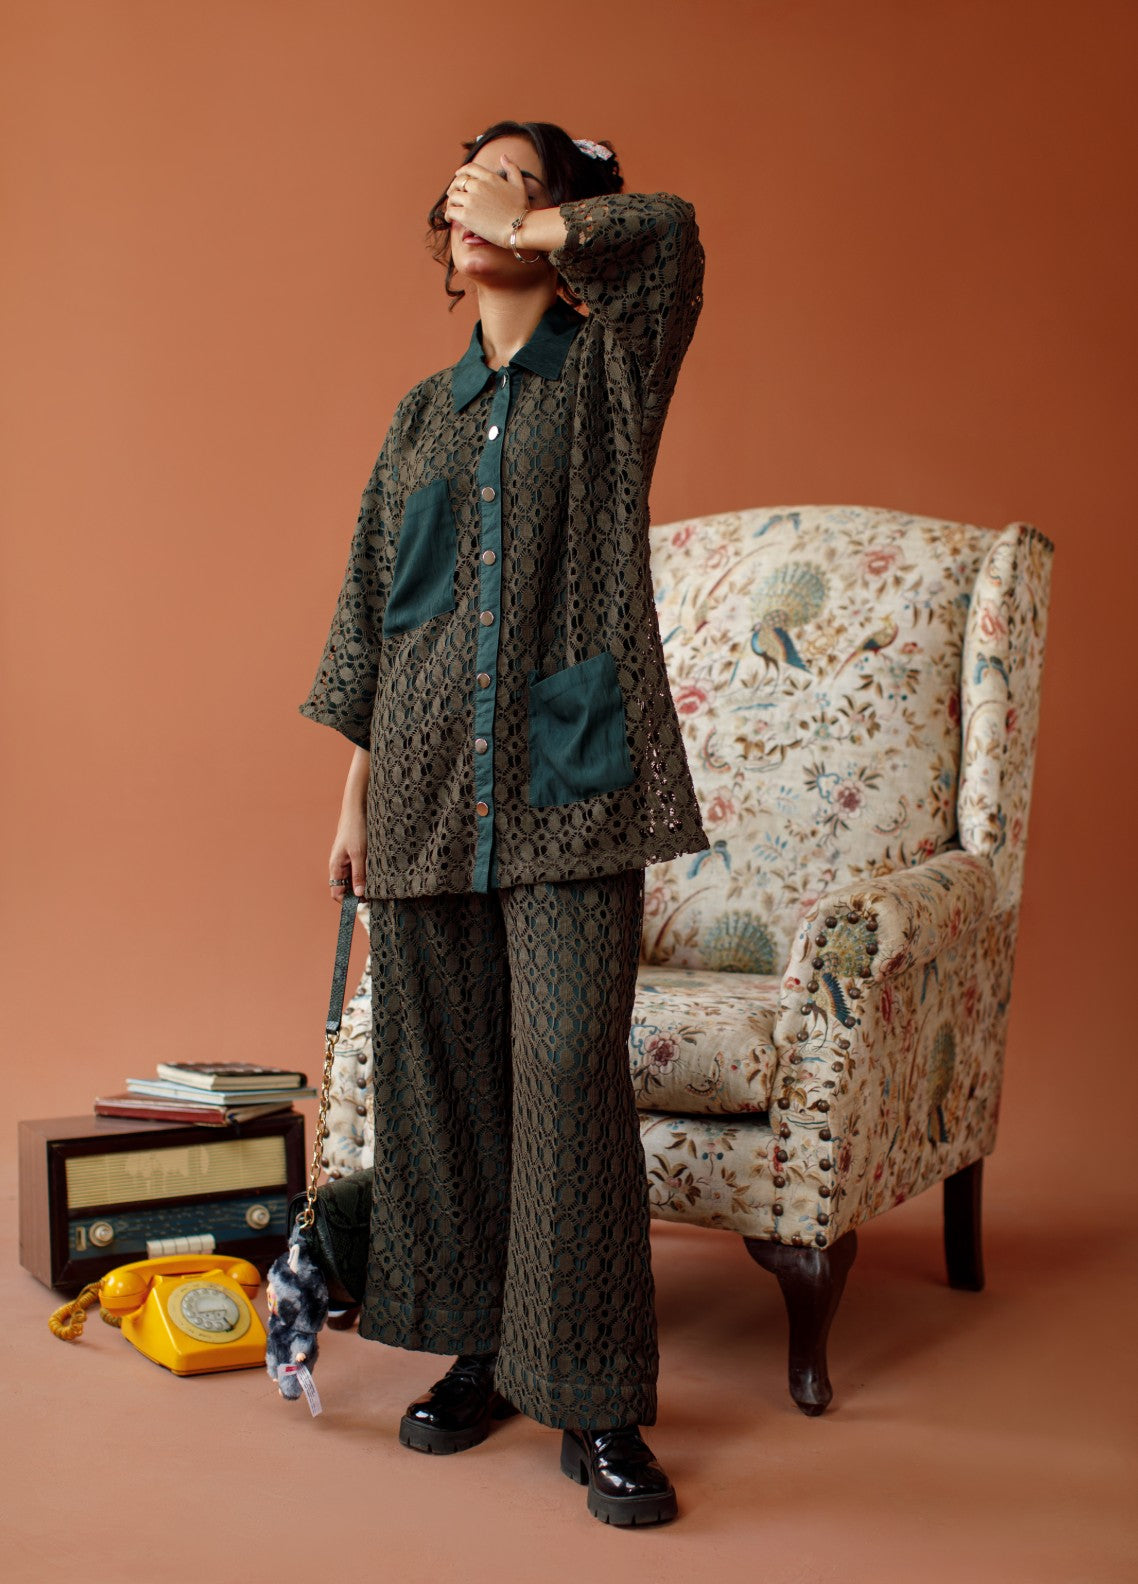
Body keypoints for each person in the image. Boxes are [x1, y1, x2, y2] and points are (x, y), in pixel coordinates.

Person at [298, 118, 708, 1527]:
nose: (479, 198)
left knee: (565, 1063)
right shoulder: (420, 415)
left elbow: (671, 240)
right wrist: (354, 799)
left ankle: (594, 1397)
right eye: (469, 180)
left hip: (565, 776)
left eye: (518, 180)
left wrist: (536, 215)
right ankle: (482, 1348)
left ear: (557, 218)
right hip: (418, 791)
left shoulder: (608, 371)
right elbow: (377, 614)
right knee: (452, 1082)